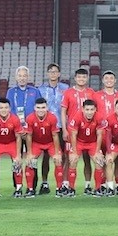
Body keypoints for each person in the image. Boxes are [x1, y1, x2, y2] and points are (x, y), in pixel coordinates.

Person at [60, 68, 96, 195]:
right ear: (75, 78)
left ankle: (88, 185)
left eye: (84, 77)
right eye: (79, 77)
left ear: (87, 79)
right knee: (68, 158)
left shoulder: (91, 92)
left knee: (88, 159)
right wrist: (64, 130)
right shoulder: (68, 92)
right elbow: (63, 112)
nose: (81, 79)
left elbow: (95, 111)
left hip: (88, 132)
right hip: (73, 131)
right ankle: (66, 185)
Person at [37, 63, 69, 194]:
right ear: (47, 74)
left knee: (63, 155)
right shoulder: (41, 89)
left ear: (59, 74)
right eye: (50, 71)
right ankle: (45, 183)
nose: (53, 74)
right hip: (46, 126)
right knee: (46, 156)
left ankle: (63, 183)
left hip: (61, 126)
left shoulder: (65, 88)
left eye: (55, 71)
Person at [66, 99, 106, 197]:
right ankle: (71, 189)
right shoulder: (77, 117)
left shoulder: (99, 117)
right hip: (79, 142)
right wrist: (75, 152)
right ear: (83, 109)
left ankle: (97, 189)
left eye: (92, 109)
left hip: (93, 143)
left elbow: (100, 135)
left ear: (95, 110)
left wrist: (97, 152)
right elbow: (73, 135)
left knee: (99, 160)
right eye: (87, 109)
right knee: (73, 160)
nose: (89, 112)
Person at [25, 98, 63, 198]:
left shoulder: (52, 118)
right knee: (30, 161)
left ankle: (59, 189)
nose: (41, 110)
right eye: (38, 108)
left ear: (47, 108)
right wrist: (29, 153)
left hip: (50, 143)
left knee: (58, 160)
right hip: (36, 143)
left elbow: (55, 135)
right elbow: (29, 136)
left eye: (43, 107)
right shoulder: (30, 118)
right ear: (34, 108)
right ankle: (30, 189)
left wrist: (57, 152)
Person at [0, 98, 24, 198]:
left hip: (11, 143)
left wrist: (19, 154)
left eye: (6, 107)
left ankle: (19, 189)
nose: (4, 110)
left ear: (10, 108)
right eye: (1, 107)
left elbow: (18, 137)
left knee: (17, 162)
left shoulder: (15, 119)